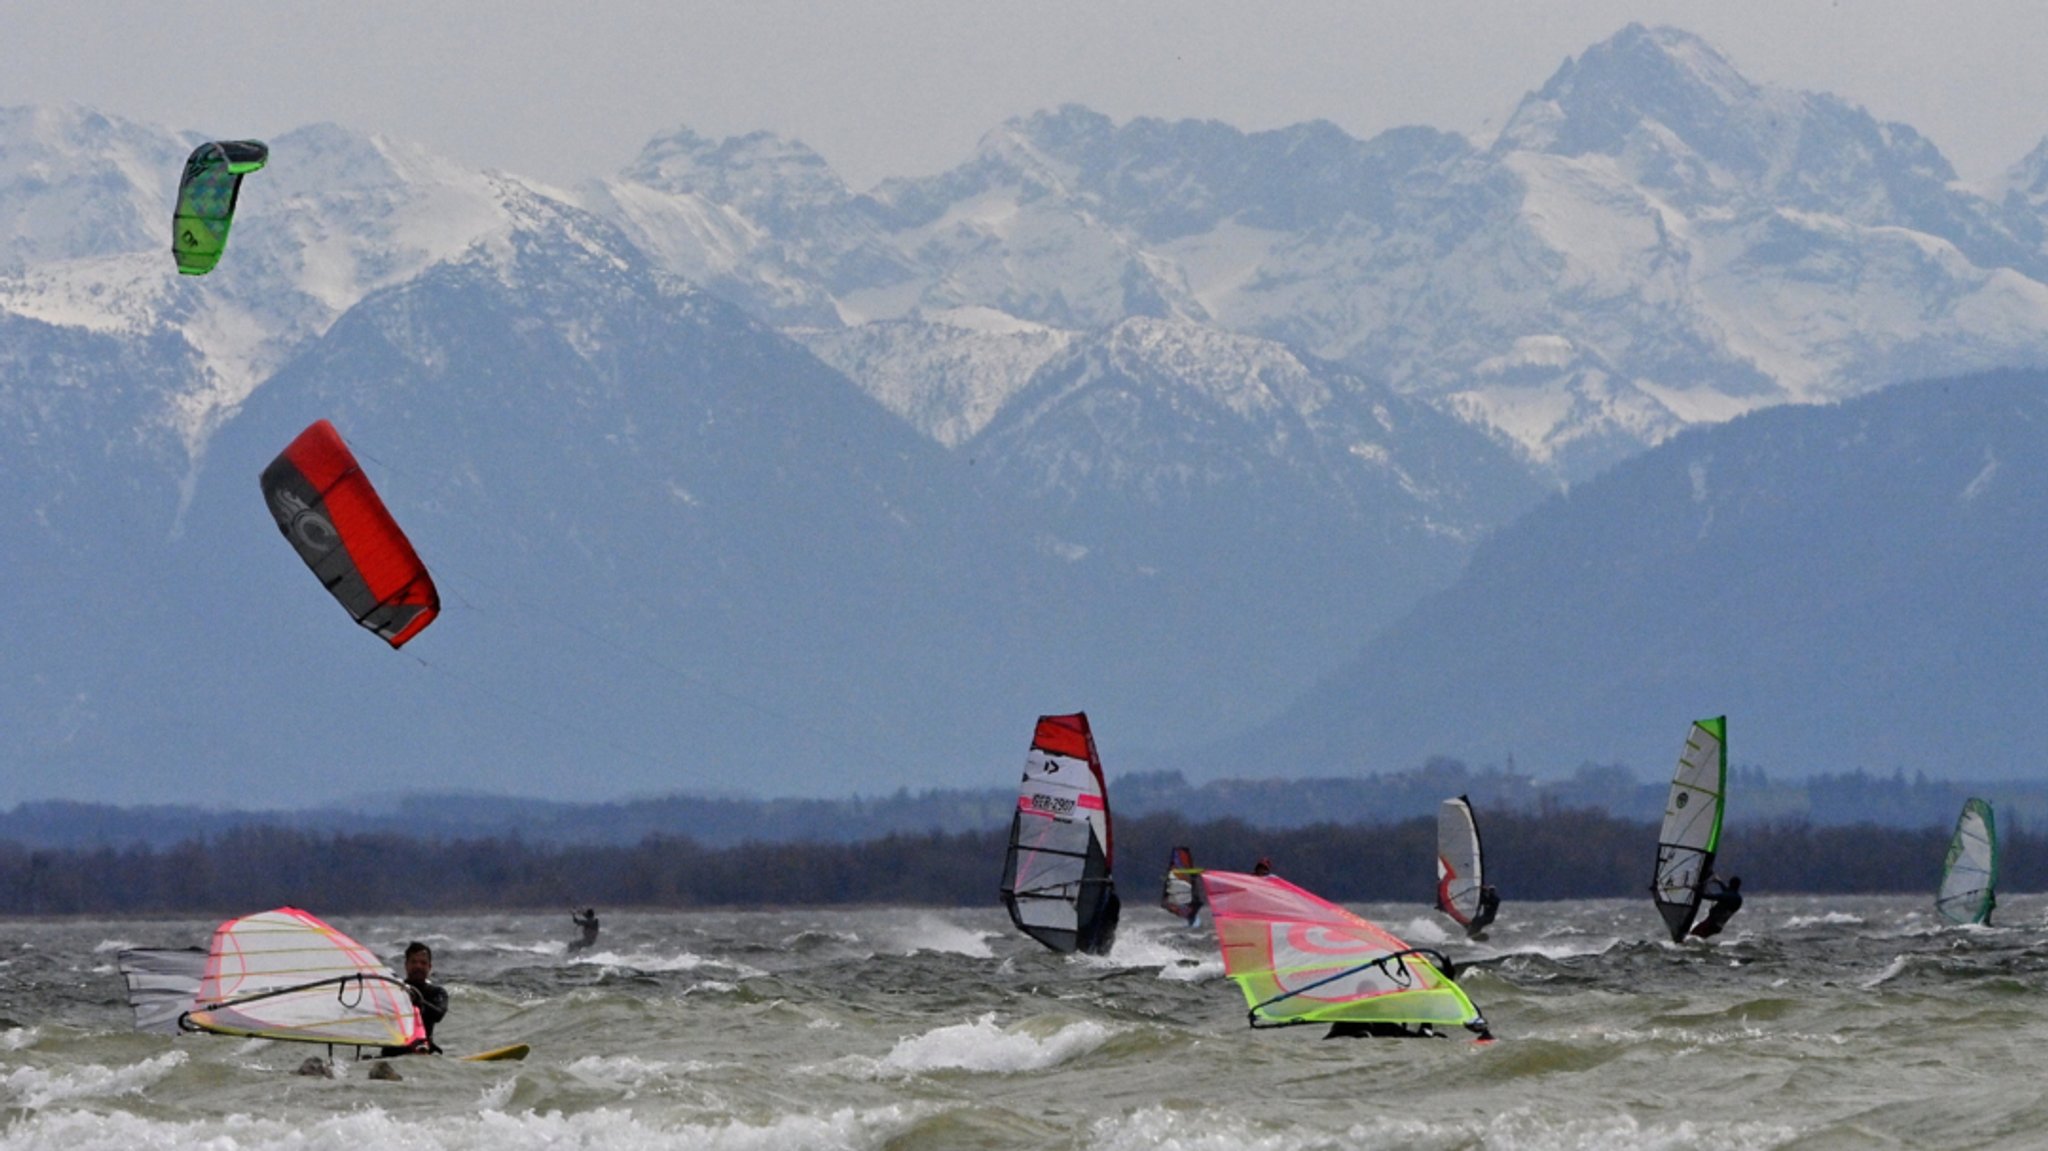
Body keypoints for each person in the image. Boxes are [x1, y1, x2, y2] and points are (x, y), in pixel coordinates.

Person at [380, 941, 447, 1056]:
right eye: (414, 962)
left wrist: (419, 1002)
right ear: (406, 965)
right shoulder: (394, 990)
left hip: (421, 1053)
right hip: (392, 1053)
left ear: (429, 967)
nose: (418, 966)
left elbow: (438, 1015)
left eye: (423, 963)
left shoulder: (437, 992)